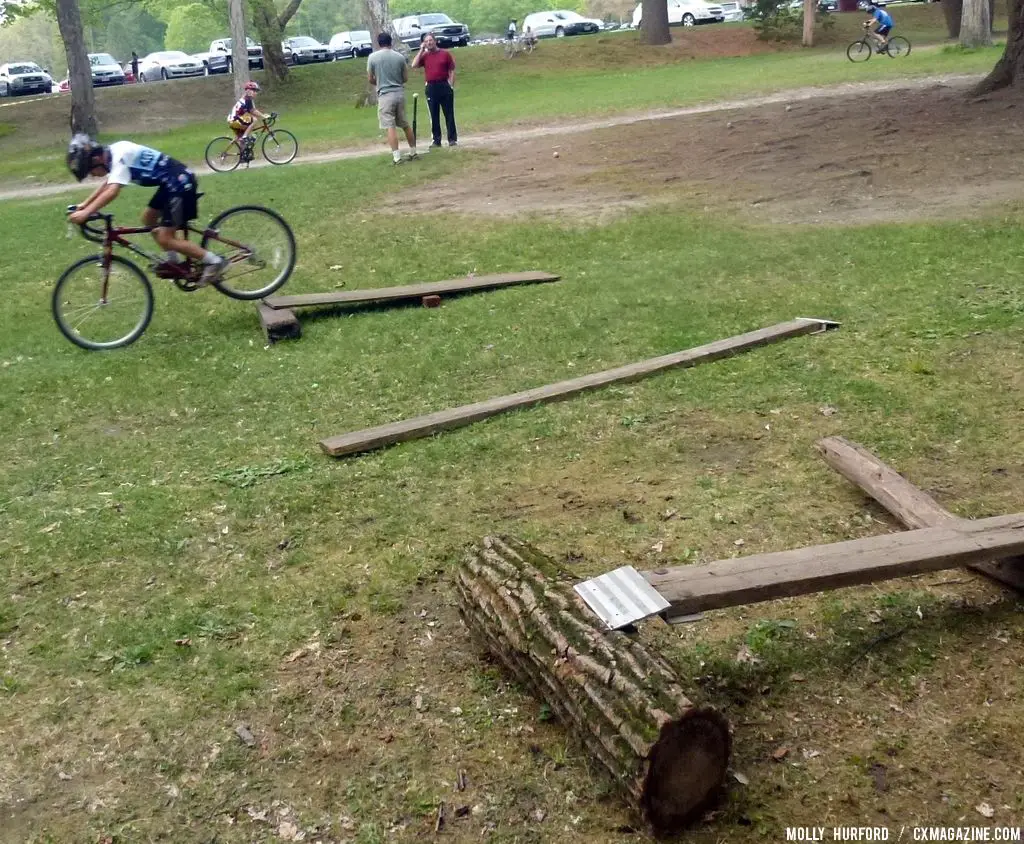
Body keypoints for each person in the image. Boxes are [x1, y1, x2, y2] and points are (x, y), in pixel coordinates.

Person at [65, 135, 228, 284]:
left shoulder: (119, 156)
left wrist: (86, 213)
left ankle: (215, 261)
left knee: (165, 238)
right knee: (148, 219)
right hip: (170, 183)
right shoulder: (113, 153)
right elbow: (108, 184)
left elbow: (112, 191)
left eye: (90, 171)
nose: (92, 175)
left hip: (179, 183)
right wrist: (85, 204)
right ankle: (174, 262)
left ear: (97, 159)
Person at [367, 31, 418, 164]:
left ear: (379, 43)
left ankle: (396, 157)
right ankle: (413, 151)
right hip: (399, 93)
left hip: (385, 94)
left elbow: (370, 79)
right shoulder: (399, 57)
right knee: (405, 124)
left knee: (390, 125)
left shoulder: (372, 58)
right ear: (391, 42)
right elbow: (405, 78)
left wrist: (379, 83)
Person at [412, 33, 457, 149]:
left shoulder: (445, 54)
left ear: (435, 41)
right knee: (434, 114)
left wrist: (450, 85)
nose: (429, 43)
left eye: (430, 40)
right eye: (426, 41)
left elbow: (452, 70)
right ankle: (436, 140)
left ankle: (452, 139)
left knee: (449, 114)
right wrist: (421, 50)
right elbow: (414, 65)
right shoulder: (425, 55)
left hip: (444, 86)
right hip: (431, 87)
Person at [227, 80, 269, 156]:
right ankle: (245, 137)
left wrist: (261, 115)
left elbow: (250, 111)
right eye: (254, 91)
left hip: (232, 120)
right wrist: (263, 116)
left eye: (256, 91)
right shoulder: (248, 99)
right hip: (235, 119)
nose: (255, 93)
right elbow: (253, 111)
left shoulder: (246, 99)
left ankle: (240, 156)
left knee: (239, 138)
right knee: (254, 120)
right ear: (248, 91)